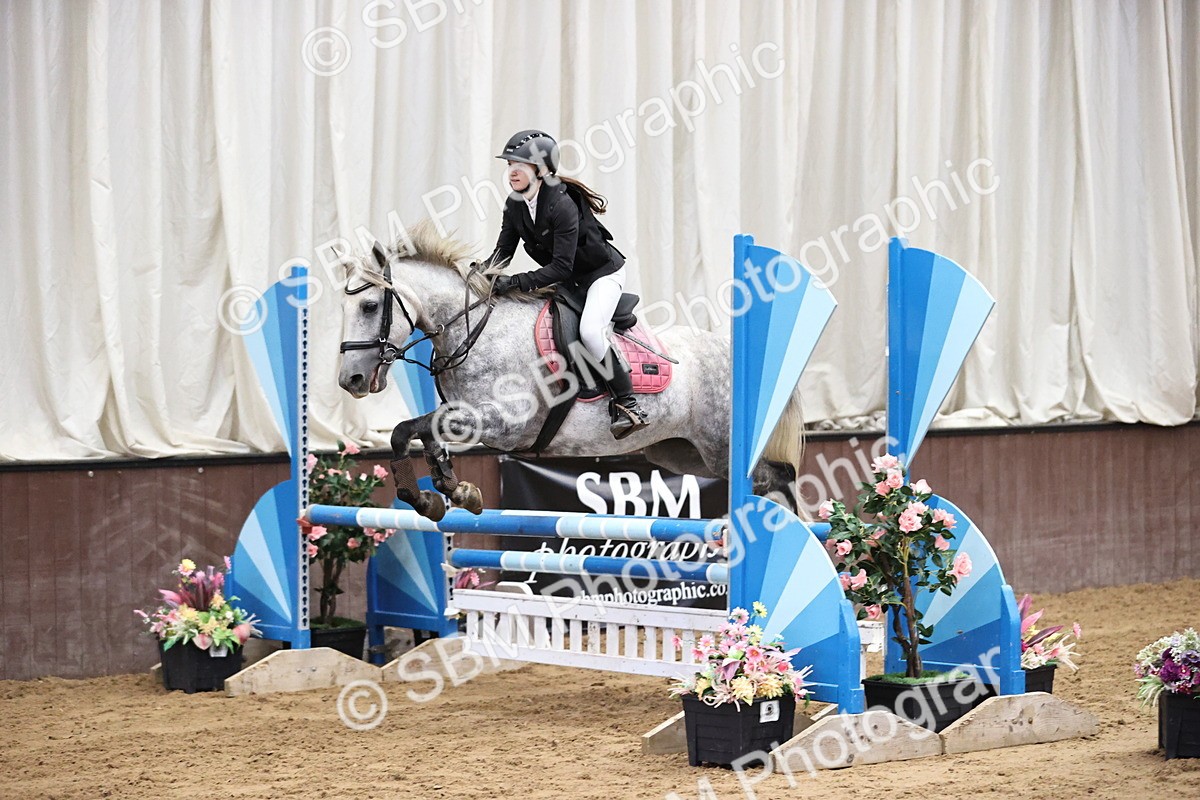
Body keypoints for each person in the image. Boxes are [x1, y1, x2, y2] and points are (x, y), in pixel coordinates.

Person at [483, 129, 649, 440]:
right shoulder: (515, 203)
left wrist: (516, 282)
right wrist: (481, 275)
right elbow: (503, 252)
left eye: (520, 165)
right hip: (569, 280)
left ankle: (628, 404)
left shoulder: (561, 204)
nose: (512, 171)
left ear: (542, 170)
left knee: (591, 331)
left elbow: (561, 266)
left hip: (601, 275)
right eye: (509, 165)